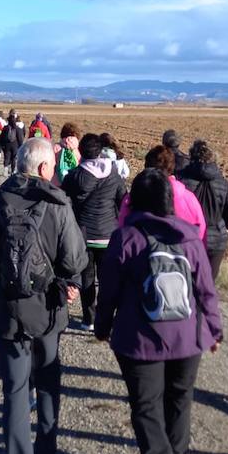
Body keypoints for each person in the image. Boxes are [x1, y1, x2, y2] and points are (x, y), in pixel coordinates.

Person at [95, 168, 222, 454]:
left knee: (146, 407)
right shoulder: (190, 238)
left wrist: (102, 327)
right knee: (180, 401)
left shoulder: (125, 238)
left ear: (134, 201)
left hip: (139, 341)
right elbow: (206, 290)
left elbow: (109, 291)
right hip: (188, 338)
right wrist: (214, 330)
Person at [0, 136, 86, 454]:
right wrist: (70, 285)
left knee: (16, 395)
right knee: (49, 384)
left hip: (7, 314)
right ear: (42, 168)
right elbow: (75, 260)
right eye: (51, 166)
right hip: (49, 314)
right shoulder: (58, 204)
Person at [61, 133, 127, 329]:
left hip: (83, 235)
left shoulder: (74, 176)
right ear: (100, 151)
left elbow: (63, 202)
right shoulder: (113, 174)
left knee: (86, 278)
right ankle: (106, 319)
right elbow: (123, 200)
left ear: (81, 152)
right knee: (107, 280)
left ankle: (88, 319)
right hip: (108, 235)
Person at [118, 147, 207, 245]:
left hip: (142, 251)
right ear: (171, 168)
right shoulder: (189, 198)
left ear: (146, 167)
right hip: (184, 251)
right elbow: (201, 231)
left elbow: (122, 229)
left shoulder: (133, 196)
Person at [180, 139, 228, 280]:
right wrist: (223, 225)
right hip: (216, 239)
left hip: (190, 237)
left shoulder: (184, 181)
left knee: (189, 281)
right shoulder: (222, 183)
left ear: (191, 157)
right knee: (209, 283)